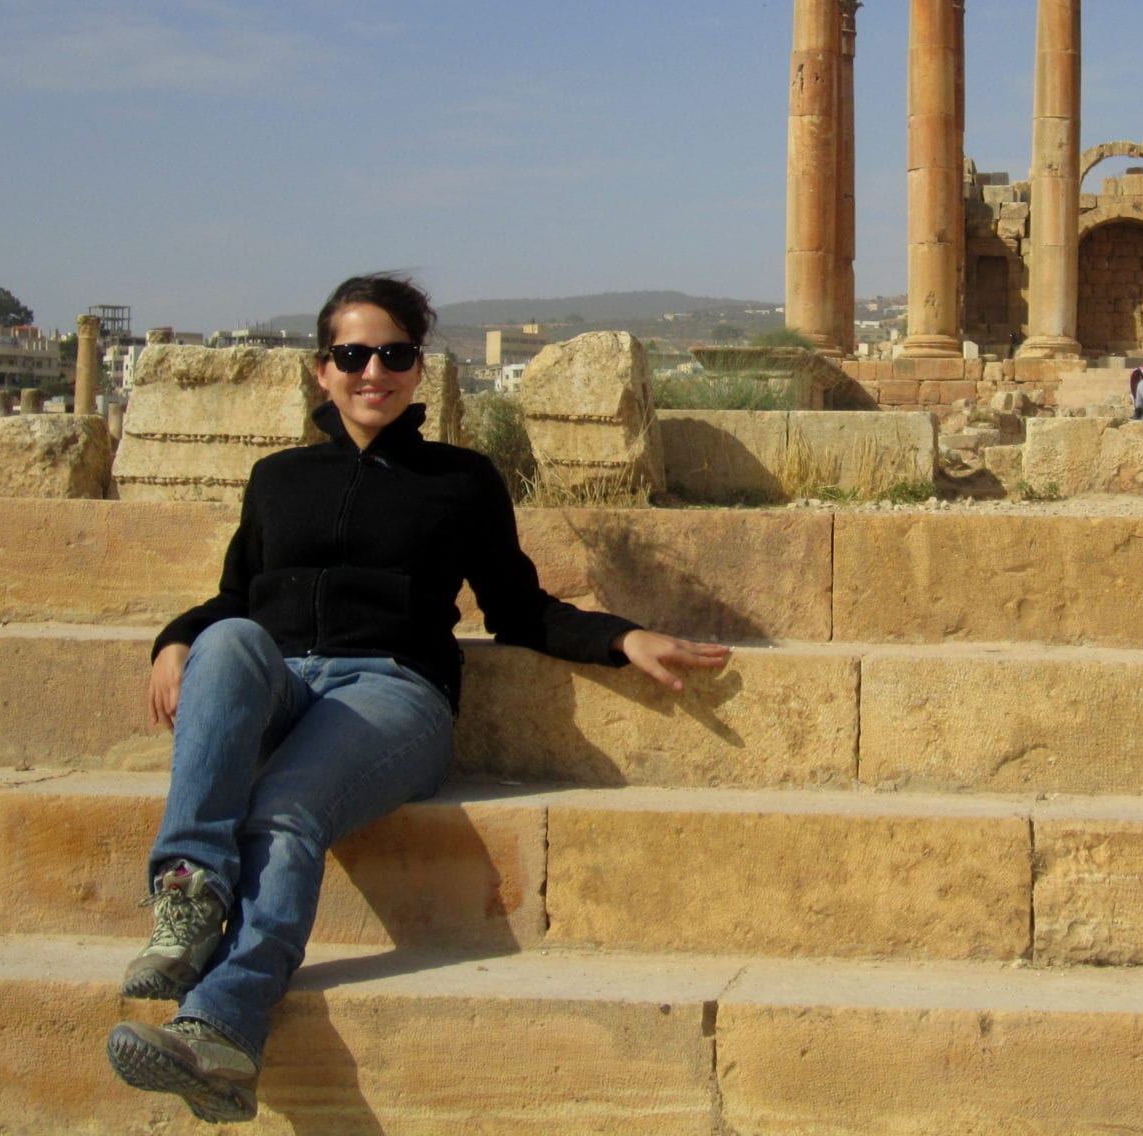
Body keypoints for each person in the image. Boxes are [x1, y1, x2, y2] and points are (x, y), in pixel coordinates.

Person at [106, 274, 729, 1124]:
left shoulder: (461, 480)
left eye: (394, 355)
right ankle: (187, 890)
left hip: (393, 695)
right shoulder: (277, 478)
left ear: (418, 368)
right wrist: (175, 638)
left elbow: (517, 607)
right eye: (354, 355)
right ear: (322, 369)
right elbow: (236, 598)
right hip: (284, 679)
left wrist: (619, 637)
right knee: (228, 640)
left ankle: (221, 1022)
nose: (374, 372)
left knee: (284, 809)